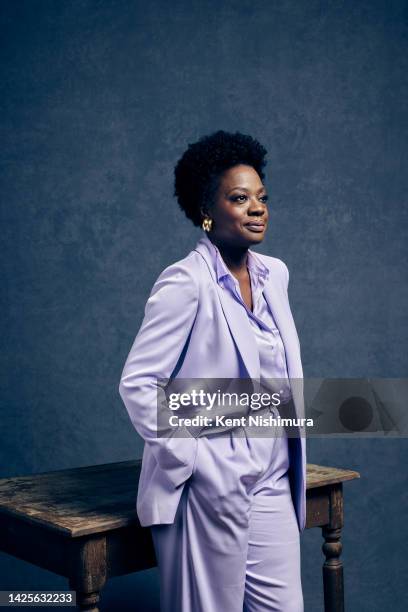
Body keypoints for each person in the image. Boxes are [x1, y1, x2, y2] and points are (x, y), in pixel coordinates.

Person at [118, 130, 306, 612]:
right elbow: (139, 383)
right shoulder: (186, 281)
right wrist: (191, 461)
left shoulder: (274, 275)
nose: (257, 208)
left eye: (261, 197)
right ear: (207, 211)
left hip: (272, 474)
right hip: (210, 480)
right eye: (239, 199)